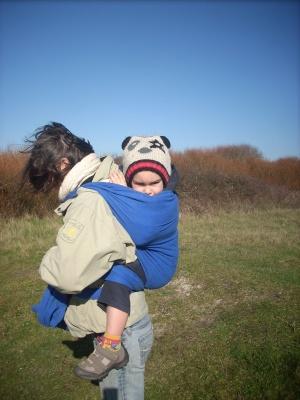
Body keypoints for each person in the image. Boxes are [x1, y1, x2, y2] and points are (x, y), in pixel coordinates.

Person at [22, 122, 179, 399]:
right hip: (127, 321)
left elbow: (68, 275)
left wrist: (50, 258)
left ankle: (111, 347)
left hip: (120, 330)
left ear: (62, 165)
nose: (50, 187)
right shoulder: (109, 179)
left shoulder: (91, 197)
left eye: (48, 178)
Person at [74, 135, 179, 381]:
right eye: (139, 185)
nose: (148, 190)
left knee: (118, 276)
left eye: (154, 182)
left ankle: (111, 346)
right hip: (142, 258)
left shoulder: (168, 201)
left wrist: (120, 193)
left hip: (158, 265)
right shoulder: (144, 198)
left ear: (165, 179)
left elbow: (139, 229)